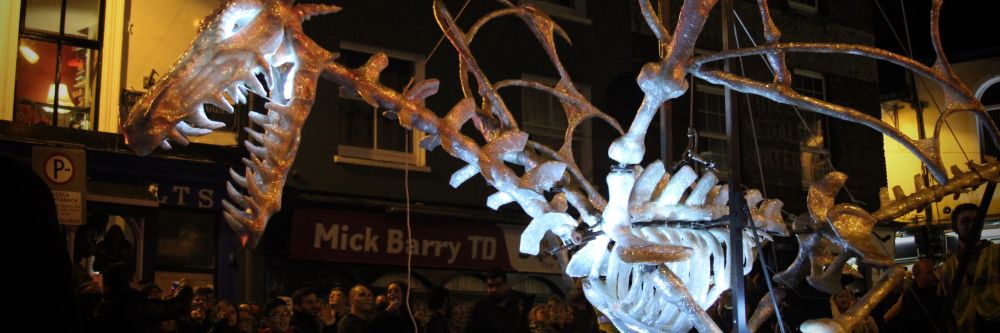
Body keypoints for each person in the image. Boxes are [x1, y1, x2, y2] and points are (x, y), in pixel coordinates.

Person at [937, 203, 1000, 332]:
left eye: (977, 221)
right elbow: (948, 309)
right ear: (955, 228)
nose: (972, 225)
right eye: (965, 221)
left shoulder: (996, 253)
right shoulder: (947, 269)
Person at [91, 262, 194, 332]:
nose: (138, 285)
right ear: (130, 281)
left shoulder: (103, 306)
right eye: (136, 280)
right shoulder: (132, 304)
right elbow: (170, 309)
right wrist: (186, 289)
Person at [884, 258, 945, 332]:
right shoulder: (910, 296)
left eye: (933, 271)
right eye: (928, 273)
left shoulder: (937, 289)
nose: (933, 275)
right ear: (917, 275)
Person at [464, 269, 532, 333]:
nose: (494, 290)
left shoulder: (515, 307)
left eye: (498, 285)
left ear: (506, 285)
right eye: (490, 286)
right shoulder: (478, 308)